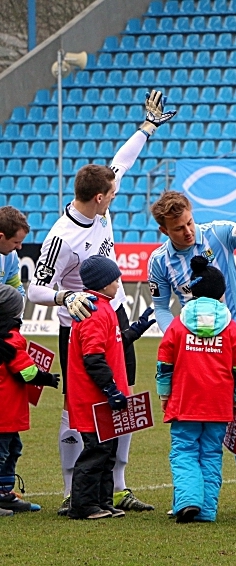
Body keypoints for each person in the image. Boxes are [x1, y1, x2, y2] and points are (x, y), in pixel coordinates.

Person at [27, 90, 174, 515]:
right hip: (78, 326)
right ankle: (75, 489)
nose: (115, 195)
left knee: (122, 395)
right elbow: (35, 289)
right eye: (110, 195)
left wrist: (146, 128)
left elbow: (121, 161)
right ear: (97, 198)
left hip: (116, 314)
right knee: (78, 408)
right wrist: (65, 296)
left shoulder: (100, 203)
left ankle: (117, 485)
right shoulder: (60, 237)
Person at [148, 179, 236, 520]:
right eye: (178, 229)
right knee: (190, 423)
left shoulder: (217, 233)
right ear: (164, 229)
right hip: (190, 350)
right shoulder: (159, 261)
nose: (188, 232)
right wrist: (173, 333)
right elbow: (161, 307)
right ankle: (189, 495)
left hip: (234, 342)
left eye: (190, 223)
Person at [156, 256, 236, 523]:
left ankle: (188, 500)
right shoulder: (231, 328)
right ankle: (206, 510)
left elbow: (164, 363)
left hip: (185, 401)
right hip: (219, 405)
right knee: (211, 453)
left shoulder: (177, 324)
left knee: (184, 450)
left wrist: (164, 394)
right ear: (221, 294)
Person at [66, 256, 131, 520]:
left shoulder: (104, 307)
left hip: (102, 397)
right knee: (96, 450)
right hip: (93, 397)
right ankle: (82, 504)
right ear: (103, 284)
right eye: (115, 279)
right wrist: (110, 389)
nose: (119, 283)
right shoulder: (94, 311)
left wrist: (135, 330)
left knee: (108, 449)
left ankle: (103, 501)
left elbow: (110, 345)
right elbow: (93, 357)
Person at [0, 285, 60, 516]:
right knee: (5, 452)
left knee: (12, 448)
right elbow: (25, 372)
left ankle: (5, 494)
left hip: (7, 410)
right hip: (6, 410)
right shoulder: (12, 339)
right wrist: (47, 378)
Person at [0, 206, 29, 298]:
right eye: (16, 242)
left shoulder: (11, 256)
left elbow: (17, 291)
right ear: (1, 237)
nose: (19, 247)